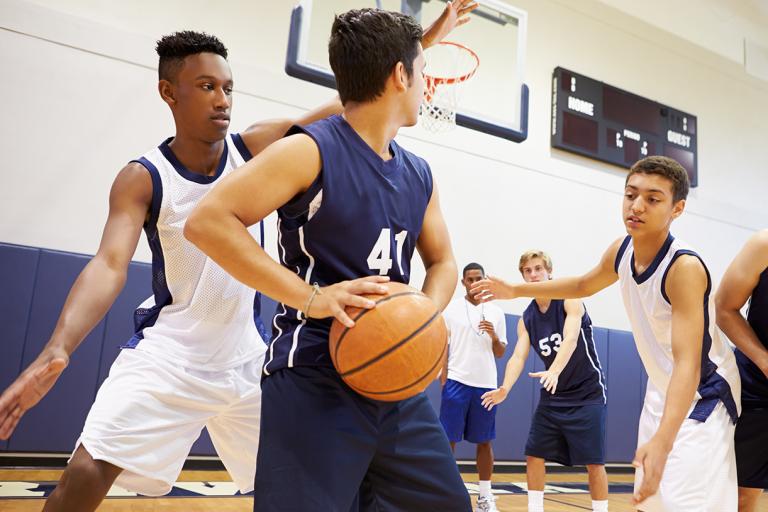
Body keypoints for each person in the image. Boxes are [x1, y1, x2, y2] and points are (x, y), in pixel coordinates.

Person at [0, 10, 467, 506]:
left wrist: (419, 45)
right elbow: (109, 265)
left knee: (324, 486)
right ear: (169, 92)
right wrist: (59, 346)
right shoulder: (145, 175)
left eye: (227, 87)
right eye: (206, 86)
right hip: (174, 354)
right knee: (87, 472)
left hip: (248, 357)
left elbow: (358, 104)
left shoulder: (255, 148)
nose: (222, 99)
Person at [184, 5, 478, 511]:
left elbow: (444, 262)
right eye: (423, 71)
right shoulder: (310, 151)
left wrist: (424, 316)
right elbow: (207, 221)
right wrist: (311, 297)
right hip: (315, 374)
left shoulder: (420, 174)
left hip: (395, 379)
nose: (426, 83)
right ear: (400, 75)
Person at [471, 156, 741, 512]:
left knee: (688, 502)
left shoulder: (683, 269)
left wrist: (663, 440)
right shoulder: (622, 249)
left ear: (677, 209)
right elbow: (583, 284)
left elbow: (688, 362)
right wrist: (515, 290)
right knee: (653, 502)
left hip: (704, 392)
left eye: (653, 199)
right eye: (631, 195)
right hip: (663, 387)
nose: (637, 206)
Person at [481, 250, 608, 512]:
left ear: (549, 272)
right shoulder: (527, 318)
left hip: (587, 392)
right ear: (523, 277)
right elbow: (517, 356)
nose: (534, 274)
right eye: (528, 271)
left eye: (538, 269)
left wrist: (555, 370)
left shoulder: (569, 299)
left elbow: (571, 339)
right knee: (534, 454)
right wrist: (505, 387)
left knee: (594, 462)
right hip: (554, 393)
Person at [440, 262, 507, 512]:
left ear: (484, 279)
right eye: (470, 279)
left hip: (486, 385)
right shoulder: (452, 310)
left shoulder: (497, 312)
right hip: (457, 381)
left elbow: (500, 352)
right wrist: (443, 377)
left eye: (478, 278)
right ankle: (444, 493)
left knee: (485, 441)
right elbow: (443, 345)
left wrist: (494, 336)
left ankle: (485, 498)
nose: (474, 283)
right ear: (463, 283)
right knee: (448, 440)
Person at [715, 230, 768, 512]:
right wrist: (764, 360)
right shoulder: (763, 245)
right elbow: (724, 307)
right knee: (739, 495)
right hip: (756, 391)